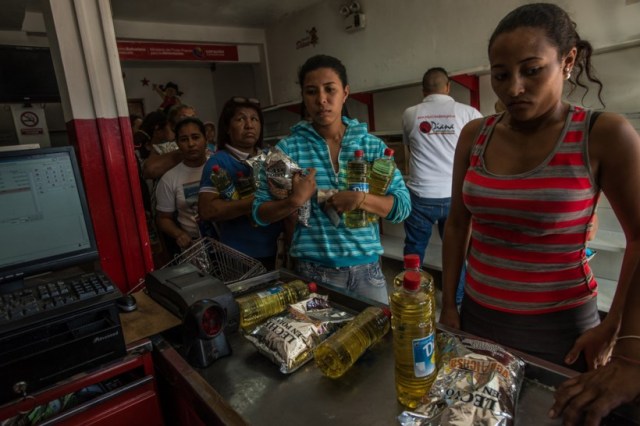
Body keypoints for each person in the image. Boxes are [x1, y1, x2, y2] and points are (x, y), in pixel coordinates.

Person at [438, 1, 640, 377]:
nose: (514, 88)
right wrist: (450, 303)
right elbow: (456, 224)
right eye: (500, 75)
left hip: (560, 330)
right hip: (478, 315)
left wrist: (614, 329)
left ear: (568, 61)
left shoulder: (603, 135)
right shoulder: (474, 136)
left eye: (532, 70)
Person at [252, 54, 411, 304]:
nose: (321, 100)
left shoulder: (371, 147)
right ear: (304, 97)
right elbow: (259, 213)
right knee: (322, 343)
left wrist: (361, 199)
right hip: (313, 273)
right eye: (311, 92)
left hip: (367, 273)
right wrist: (294, 201)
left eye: (330, 90)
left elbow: (402, 207)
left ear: (345, 93)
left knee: (374, 342)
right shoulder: (287, 150)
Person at [402, 67, 482, 305]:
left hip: (420, 195)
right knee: (456, 251)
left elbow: (409, 148)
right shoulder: (469, 113)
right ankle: (456, 300)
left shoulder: (410, 114)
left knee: (415, 249)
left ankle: (411, 295)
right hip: (455, 196)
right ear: (448, 87)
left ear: (424, 90)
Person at [198, 96, 282, 270]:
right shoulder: (218, 163)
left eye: (254, 119)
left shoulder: (271, 157)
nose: (249, 125)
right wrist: (252, 203)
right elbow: (207, 210)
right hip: (239, 256)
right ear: (227, 128)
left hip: (278, 250)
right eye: (240, 119)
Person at [155, 117, 209, 253]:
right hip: (195, 246)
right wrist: (179, 234)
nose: (191, 144)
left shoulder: (220, 166)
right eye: (184, 139)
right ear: (178, 144)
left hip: (227, 238)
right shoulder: (169, 178)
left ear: (205, 139)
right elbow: (163, 218)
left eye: (195, 137)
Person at [143, 104, 197, 180]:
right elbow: (149, 171)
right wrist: (183, 153)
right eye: (184, 118)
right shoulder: (162, 148)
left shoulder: (202, 144)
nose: (190, 121)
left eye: (193, 117)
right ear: (172, 125)